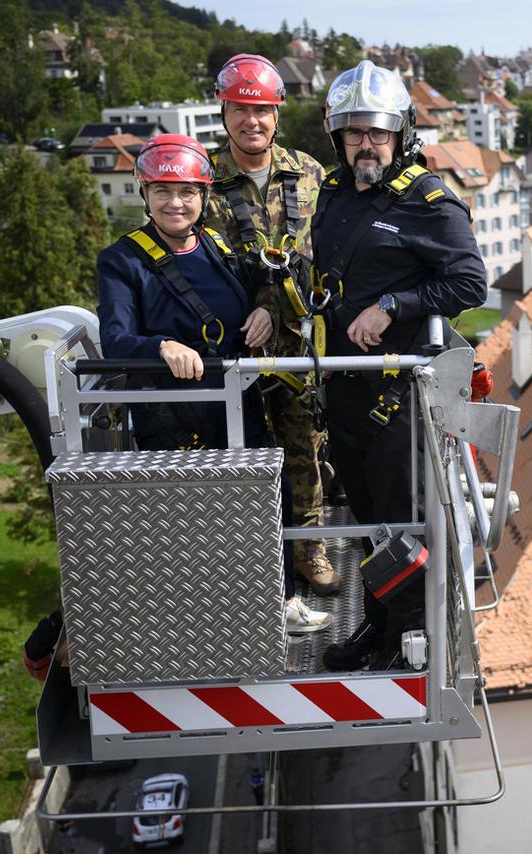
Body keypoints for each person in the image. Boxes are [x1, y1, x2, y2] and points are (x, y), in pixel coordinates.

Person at [96, 134, 332, 636]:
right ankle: (205, 619)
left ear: (204, 196)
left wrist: (264, 312)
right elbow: (115, 338)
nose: (176, 203)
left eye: (187, 192)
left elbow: (252, 294)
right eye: (163, 191)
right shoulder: (123, 261)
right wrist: (160, 347)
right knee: (193, 525)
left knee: (263, 504)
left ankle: (281, 600)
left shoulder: (216, 245)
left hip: (237, 400)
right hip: (174, 414)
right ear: (144, 194)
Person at [311, 61, 487, 670]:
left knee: (400, 523)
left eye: (377, 132)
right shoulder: (332, 196)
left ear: (400, 135)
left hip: (396, 398)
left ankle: (412, 637)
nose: (366, 143)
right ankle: (382, 625)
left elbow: (470, 284)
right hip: (342, 391)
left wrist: (394, 305)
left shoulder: (428, 201)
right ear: (338, 137)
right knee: (365, 520)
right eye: (355, 132)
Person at [206, 54, 339, 596]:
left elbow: (325, 249)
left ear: (277, 115)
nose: (251, 121)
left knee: (304, 448)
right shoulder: (206, 181)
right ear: (224, 112)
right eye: (241, 109)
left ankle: (310, 551)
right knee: (239, 454)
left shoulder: (308, 172)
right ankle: (248, 563)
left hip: (299, 342)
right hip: (235, 342)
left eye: (261, 110)